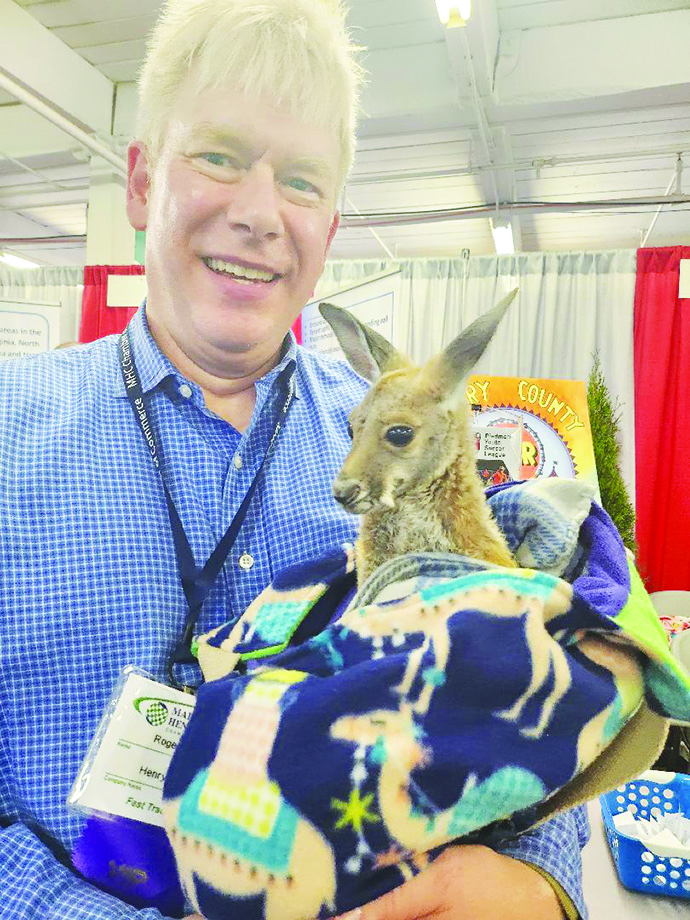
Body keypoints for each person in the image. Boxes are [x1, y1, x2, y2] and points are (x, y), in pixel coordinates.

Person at [0, 1, 588, 918]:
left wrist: (534, 880)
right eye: (220, 156)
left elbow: (529, 696)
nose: (259, 214)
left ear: (331, 226)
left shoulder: (407, 454)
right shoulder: (10, 439)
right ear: (143, 183)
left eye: (302, 180)